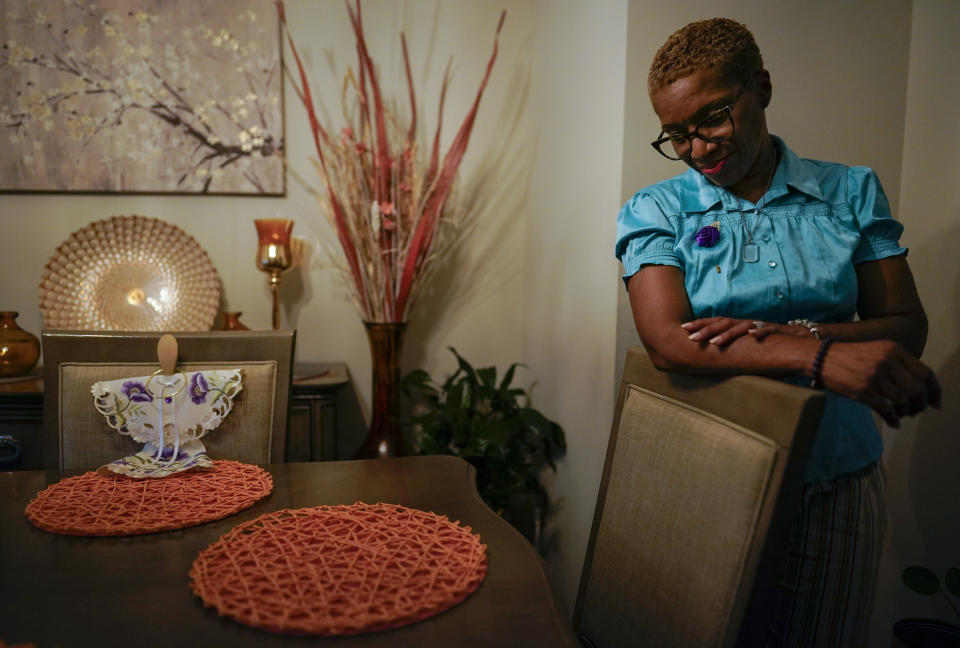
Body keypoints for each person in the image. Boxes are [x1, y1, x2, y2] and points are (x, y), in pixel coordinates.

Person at [615, 17, 941, 648]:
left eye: (712, 118)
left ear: (760, 87)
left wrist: (792, 331)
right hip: (707, 470)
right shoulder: (658, 209)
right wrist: (819, 357)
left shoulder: (849, 192)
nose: (699, 149)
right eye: (676, 136)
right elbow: (667, 340)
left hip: (837, 473)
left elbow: (906, 328)